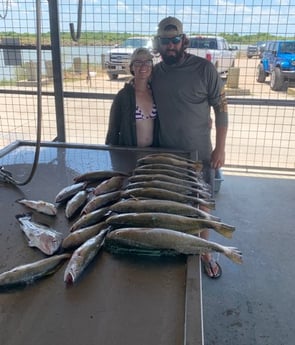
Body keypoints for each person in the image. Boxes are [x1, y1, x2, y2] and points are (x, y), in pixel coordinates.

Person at [152, 17, 228, 279]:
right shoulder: (155, 73)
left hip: (200, 155)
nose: (171, 45)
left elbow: (221, 109)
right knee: (172, 206)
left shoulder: (205, 69)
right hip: (166, 155)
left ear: (184, 41)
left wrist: (220, 148)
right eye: (165, 41)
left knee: (202, 206)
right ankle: (177, 247)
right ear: (158, 43)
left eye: (175, 40)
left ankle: (205, 252)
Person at [105, 47, 158, 147]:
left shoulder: (156, 94)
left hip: (152, 155)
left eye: (147, 62)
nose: (143, 66)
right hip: (129, 154)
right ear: (132, 67)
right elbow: (113, 130)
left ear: (151, 66)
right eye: (138, 62)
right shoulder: (123, 96)